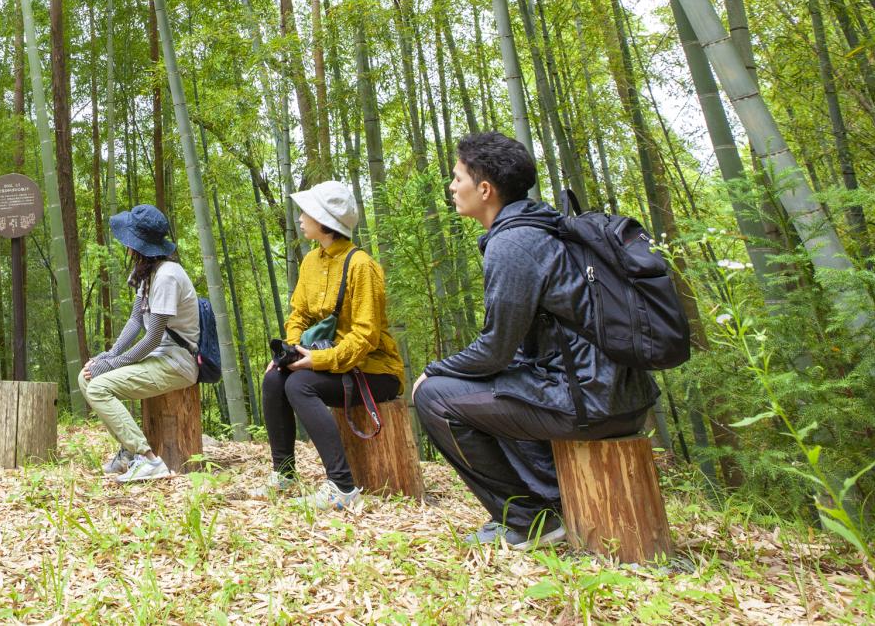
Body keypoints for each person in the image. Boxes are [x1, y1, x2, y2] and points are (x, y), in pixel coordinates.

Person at [413, 131, 658, 549]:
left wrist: (430, 372)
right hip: (614, 395)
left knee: (435, 396)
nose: (452, 187)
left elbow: (493, 350)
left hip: (589, 402)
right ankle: (549, 498)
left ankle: (530, 520)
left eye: (458, 178)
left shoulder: (513, 243)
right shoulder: (540, 225)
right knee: (489, 382)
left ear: (485, 188)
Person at [263, 181, 406, 511]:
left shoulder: (361, 266)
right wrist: (293, 352)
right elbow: (298, 313)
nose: (300, 217)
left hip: (374, 369)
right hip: (327, 359)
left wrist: (317, 360)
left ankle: (342, 487)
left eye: (306, 211)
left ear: (323, 219)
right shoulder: (311, 262)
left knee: (300, 384)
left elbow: (365, 337)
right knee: (274, 379)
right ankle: (284, 475)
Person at [80, 204, 201, 483]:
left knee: (98, 387)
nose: (126, 246)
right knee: (86, 378)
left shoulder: (168, 275)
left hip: (176, 362)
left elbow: (152, 337)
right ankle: (130, 452)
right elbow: (136, 321)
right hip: (158, 357)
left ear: (140, 244)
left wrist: (111, 365)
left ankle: (148, 460)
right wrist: (108, 355)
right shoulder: (148, 272)